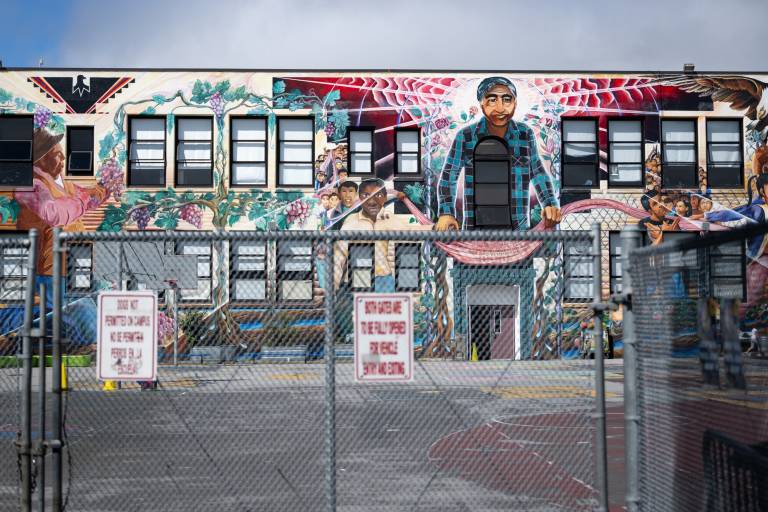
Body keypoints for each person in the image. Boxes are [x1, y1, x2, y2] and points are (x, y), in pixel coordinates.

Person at [435, 76, 561, 231]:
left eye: (507, 99)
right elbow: (449, 175)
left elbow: (537, 172)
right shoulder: (466, 136)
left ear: (515, 103)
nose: (500, 108)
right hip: (476, 231)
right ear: (481, 103)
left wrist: (549, 204)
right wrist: (446, 213)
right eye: (492, 99)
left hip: (517, 230)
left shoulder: (524, 134)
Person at [14, 128, 109, 308]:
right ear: (41, 158)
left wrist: (104, 188)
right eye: (58, 155)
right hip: (53, 272)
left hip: (78, 265)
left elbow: (88, 197)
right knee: (85, 325)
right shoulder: (30, 186)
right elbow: (53, 212)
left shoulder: (62, 182)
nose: (64, 160)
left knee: (105, 306)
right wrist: (83, 200)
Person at [334, 178, 431, 292]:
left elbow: (409, 231)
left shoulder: (389, 217)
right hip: (358, 279)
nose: (372, 201)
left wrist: (434, 228)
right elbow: (338, 257)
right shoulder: (352, 221)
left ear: (385, 198)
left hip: (384, 280)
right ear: (360, 197)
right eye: (366, 195)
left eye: (378, 195)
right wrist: (332, 289)